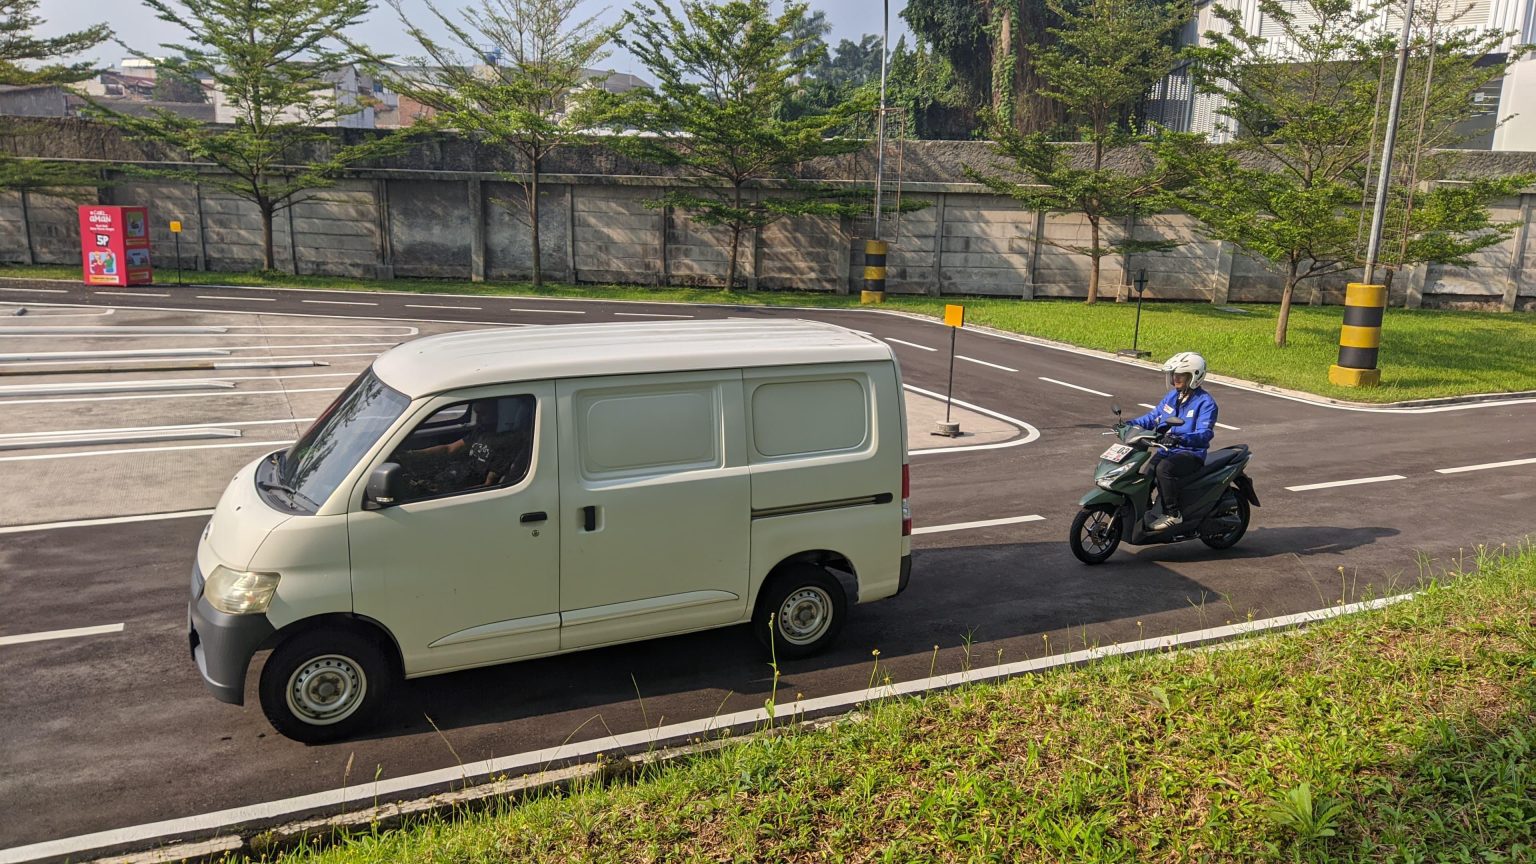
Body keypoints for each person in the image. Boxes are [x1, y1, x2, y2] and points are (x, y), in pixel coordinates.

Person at [1127, 352, 1217, 532]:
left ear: (1194, 376)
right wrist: (1130, 424)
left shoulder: (1206, 403)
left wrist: (1181, 438)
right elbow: (1153, 417)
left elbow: (1205, 433)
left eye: (1180, 375)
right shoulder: (1171, 397)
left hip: (1190, 453)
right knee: (1146, 473)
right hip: (1167, 449)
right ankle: (1145, 511)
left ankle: (1173, 513)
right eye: (1174, 374)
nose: (1175, 378)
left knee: (1163, 469)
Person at [400, 397, 533, 497]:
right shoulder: (482, 432)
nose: (479, 418)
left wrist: (447, 494)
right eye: (477, 413)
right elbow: (449, 449)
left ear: (498, 413)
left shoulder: (507, 443)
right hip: (454, 475)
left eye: (483, 414)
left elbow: (487, 486)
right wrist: (412, 454)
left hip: (462, 487)